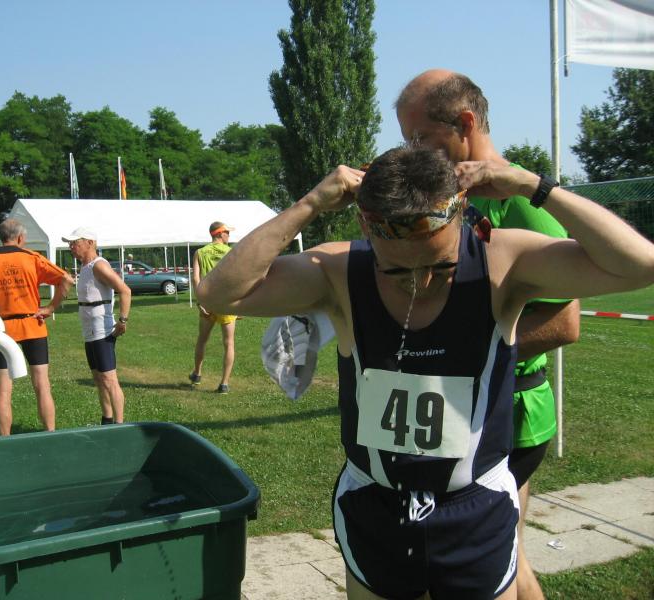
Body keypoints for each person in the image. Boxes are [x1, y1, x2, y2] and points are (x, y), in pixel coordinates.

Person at [197, 145, 654, 599]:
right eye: (396, 271)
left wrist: (533, 186)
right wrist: (311, 203)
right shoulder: (339, 270)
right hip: (374, 504)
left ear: (462, 215)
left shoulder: (503, 260)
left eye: (442, 264)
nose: (421, 281)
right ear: (366, 227)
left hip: (476, 505)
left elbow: (641, 265)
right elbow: (218, 294)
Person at [395, 68, 581, 600]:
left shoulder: (519, 203)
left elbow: (566, 322)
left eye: (420, 138)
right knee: (505, 555)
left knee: (498, 556)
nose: (412, 151)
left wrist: (461, 353)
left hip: (512, 414)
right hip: (464, 413)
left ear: (465, 124)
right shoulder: (453, 197)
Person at [0, 219, 73, 436]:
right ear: (20, 238)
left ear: (1, 237)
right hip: (33, 325)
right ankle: (50, 434)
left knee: (3, 389)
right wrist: (50, 307)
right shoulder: (32, 258)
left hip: (2, 330)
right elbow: (66, 279)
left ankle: (5, 439)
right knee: (42, 383)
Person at [64, 227, 132, 424]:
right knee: (98, 378)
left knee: (109, 380)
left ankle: (119, 426)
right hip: (90, 331)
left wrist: (123, 320)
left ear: (90, 243)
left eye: (75, 243)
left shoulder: (98, 266)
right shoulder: (85, 267)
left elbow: (125, 290)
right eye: (70, 243)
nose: (71, 247)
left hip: (102, 330)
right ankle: (106, 421)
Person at [189, 221, 238, 394]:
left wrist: (200, 301)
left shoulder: (200, 252)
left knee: (202, 339)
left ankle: (197, 374)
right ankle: (224, 384)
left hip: (208, 302)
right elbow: (238, 278)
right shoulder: (232, 253)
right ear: (219, 233)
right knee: (229, 343)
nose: (229, 236)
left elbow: (196, 278)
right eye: (227, 232)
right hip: (227, 302)